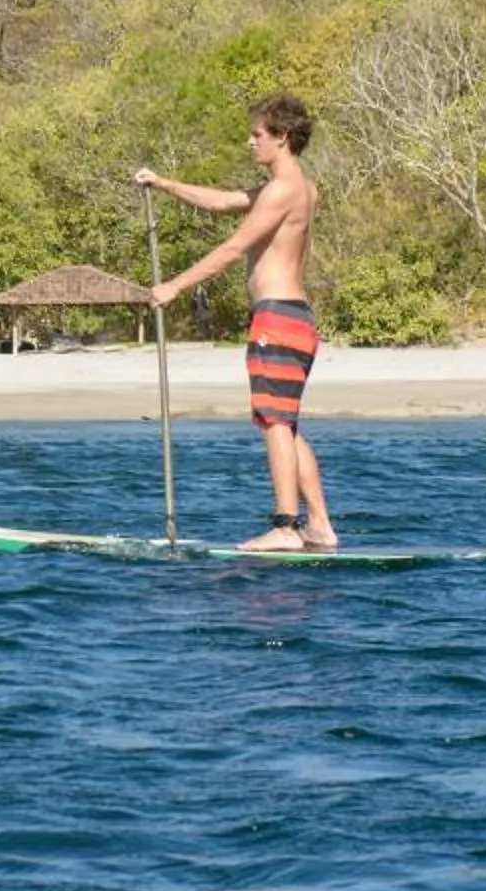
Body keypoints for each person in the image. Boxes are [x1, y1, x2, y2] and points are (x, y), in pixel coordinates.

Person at [133, 93, 337, 552]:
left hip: (278, 320)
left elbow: (231, 248)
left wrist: (174, 287)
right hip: (295, 320)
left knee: (275, 424)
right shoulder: (296, 188)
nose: (250, 142)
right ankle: (319, 526)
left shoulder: (283, 191)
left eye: (258, 134)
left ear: (282, 137)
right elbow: (220, 202)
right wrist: (164, 183)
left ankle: (286, 527)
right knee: (285, 424)